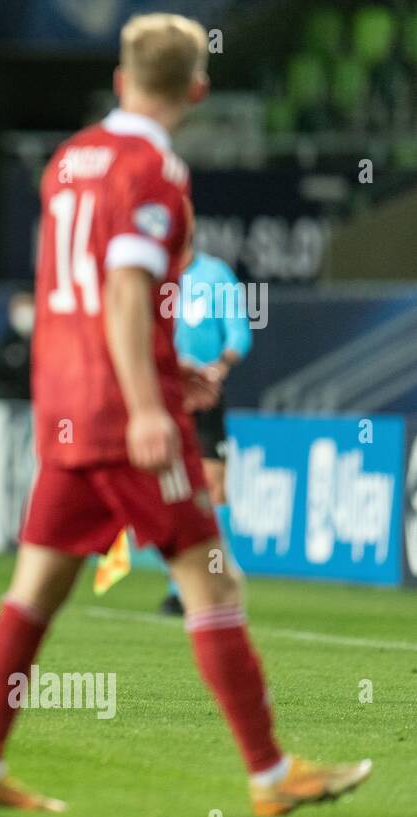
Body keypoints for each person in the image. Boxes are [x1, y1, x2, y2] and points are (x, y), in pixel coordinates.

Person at [0, 14, 371, 817]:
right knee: (215, 583)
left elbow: (72, 296)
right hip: (125, 419)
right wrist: (148, 401)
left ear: (119, 79)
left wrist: (165, 367)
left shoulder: (69, 160)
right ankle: (272, 775)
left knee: (34, 590)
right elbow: (126, 289)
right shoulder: (153, 167)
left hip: (67, 408)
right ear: (198, 88)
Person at [158, 201, 250, 615]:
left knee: (213, 486)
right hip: (163, 398)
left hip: (206, 396)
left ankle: (216, 574)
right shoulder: (152, 278)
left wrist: (219, 366)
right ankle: (179, 587)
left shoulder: (216, 276)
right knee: (173, 490)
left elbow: (239, 333)